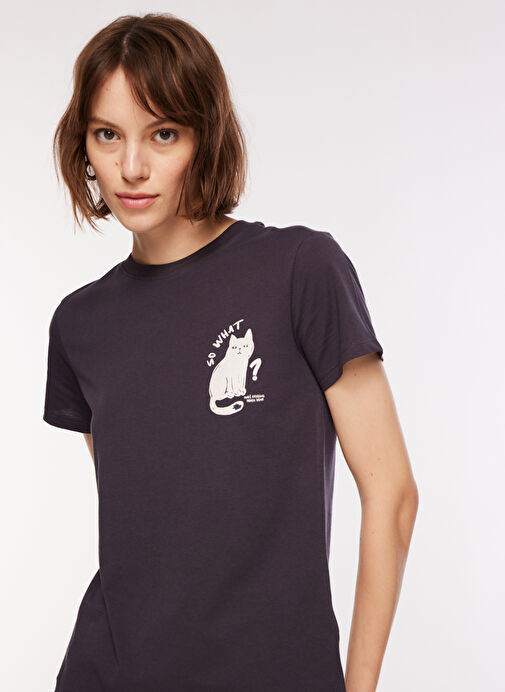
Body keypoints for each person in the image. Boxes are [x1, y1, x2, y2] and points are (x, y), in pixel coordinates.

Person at [43, 12, 418, 692]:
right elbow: (146, 530)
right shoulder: (79, 324)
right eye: (107, 134)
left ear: (205, 135)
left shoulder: (300, 269)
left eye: (163, 133)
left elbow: (391, 494)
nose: (132, 167)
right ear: (84, 146)